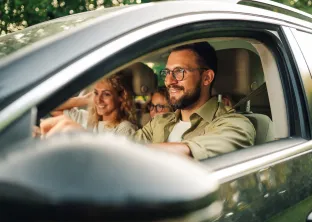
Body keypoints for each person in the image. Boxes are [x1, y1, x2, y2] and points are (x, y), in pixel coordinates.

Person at [41, 42, 256, 160]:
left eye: (179, 72)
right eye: (168, 72)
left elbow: (188, 152)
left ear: (207, 77)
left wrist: (92, 145)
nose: (170, 81)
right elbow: (126, 147)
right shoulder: (160, 122)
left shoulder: (236, 124)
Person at [49, 73, 137, 136]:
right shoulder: (86, 118)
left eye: (106, 94)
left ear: (121, 97)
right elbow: (52, 108)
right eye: (96, 93)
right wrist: (84, 99)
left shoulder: (125, 129)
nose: (99, 100)